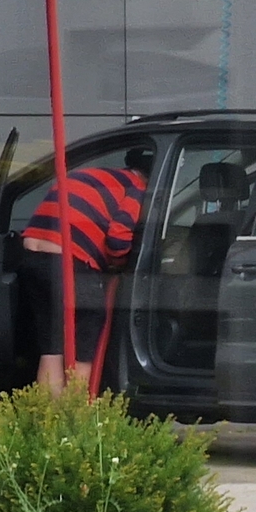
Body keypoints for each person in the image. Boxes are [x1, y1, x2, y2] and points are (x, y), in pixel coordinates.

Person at [23, 146, 154, 392]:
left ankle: (49, 420)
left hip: (33, 254)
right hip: (68, 259)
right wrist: (120, 262)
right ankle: (76, 413)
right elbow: (118, 239)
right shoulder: (136, 189)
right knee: (86, 335)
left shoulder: (97, 175)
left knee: (52, 347)